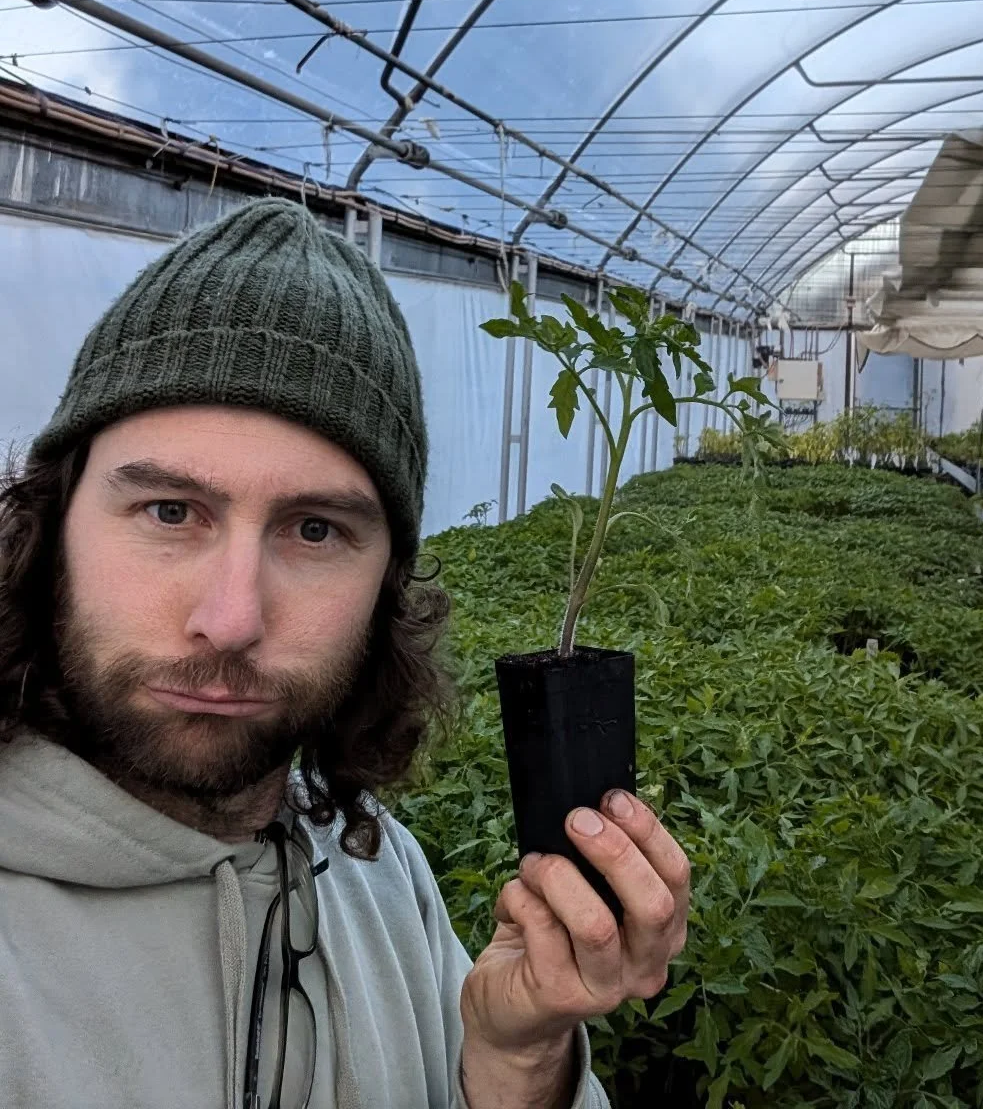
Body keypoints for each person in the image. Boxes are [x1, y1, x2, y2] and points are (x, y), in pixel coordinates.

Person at [0, 199, 690, 1109]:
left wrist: (517, 1060)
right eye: (170, 512)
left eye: (315, 529)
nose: (231, 619)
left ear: (384, 586)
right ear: (53, 521)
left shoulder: (375, 867)